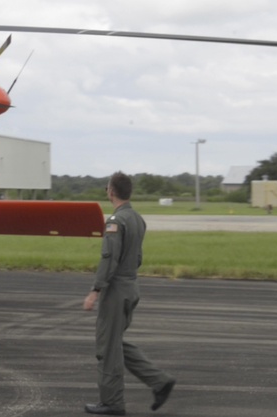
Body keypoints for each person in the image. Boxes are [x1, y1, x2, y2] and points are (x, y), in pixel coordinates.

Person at [83, 172, 176, 415]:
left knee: (106, 348)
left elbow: (109, 258)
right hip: (131, 285)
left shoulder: (116, 220)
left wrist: (95, 290)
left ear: (111, 191)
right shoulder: (137, 219)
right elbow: (137, 258)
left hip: (116, 290)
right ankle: (159, 381)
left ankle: (112, 403)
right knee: (116, 344)